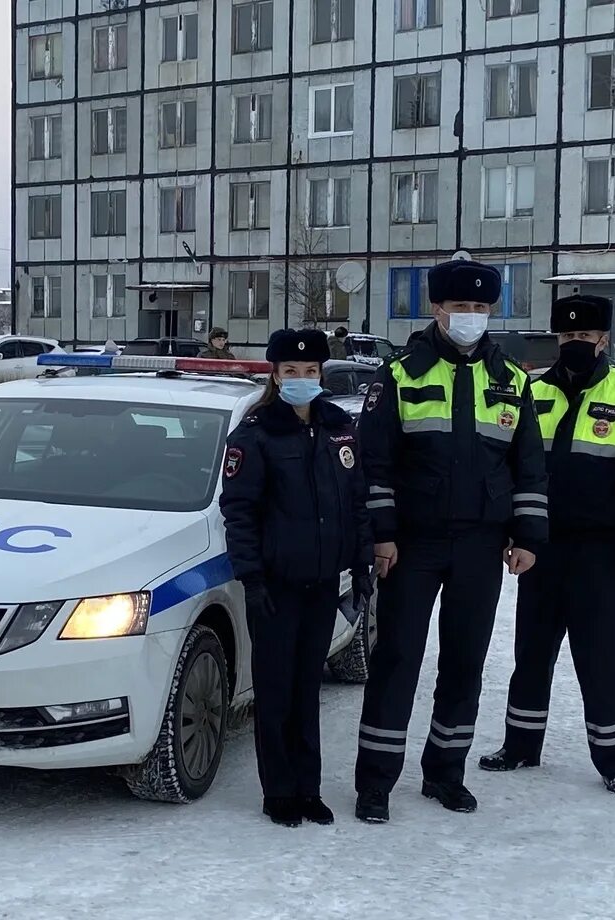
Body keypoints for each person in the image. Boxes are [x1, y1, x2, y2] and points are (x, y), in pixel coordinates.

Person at [353, 258, 549, 823]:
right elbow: (375, 464)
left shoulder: (511, 380)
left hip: (481, 545)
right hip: (412, 545)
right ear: (437, 309)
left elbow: (529, 467)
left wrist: (527, 534)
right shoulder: (400, 375)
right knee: (397, 660)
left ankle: (445, 772)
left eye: (481, 308)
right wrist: (383, 536)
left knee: (465, 662)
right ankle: (376, 783)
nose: (471, 317)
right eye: (460, 307)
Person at [479, 294, 615, 798]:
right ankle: (520, 745)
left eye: (585, 338)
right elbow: (509, 466)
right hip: (540, 548)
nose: (575, 345)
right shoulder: (531, 391)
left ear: (603, 340)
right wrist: (513, 532)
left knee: (602, 658)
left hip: (600, 549)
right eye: (567, 338)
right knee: (531, 653)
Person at [220, 328, 375, 827]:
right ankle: (279, 792)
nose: (303, 379)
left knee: (309, 689)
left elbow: (356, 503)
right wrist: (253, 579)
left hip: (323, 581)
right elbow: (239, 512)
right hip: (275, 585)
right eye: (292, 372)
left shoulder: (338, 428)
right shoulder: (256, 433)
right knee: (276, 690)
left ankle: (308, 787)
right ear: (275, 374)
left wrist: (364, 563)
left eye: (311, 372)